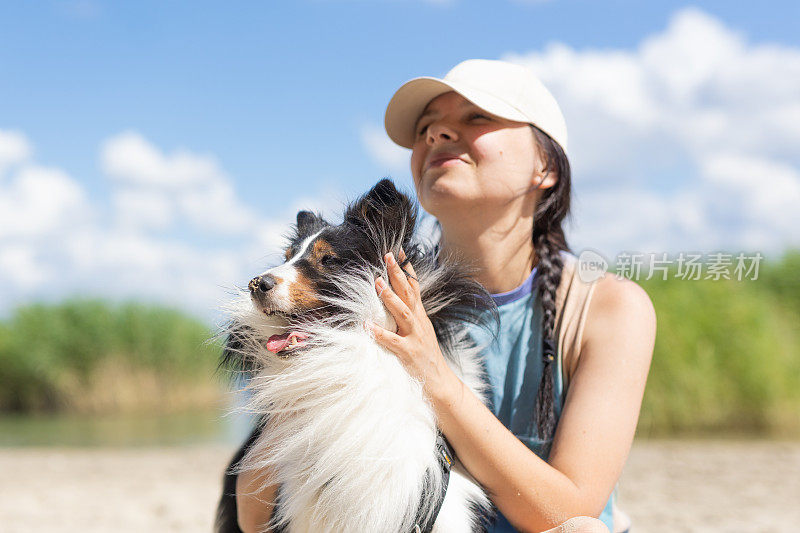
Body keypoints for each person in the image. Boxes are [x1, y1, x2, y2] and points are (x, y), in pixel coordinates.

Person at [236, 59, 655, 533]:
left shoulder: (608, 308)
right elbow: (253, 518)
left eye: (477, 117)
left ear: (546, 166)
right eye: (425, 128)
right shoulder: (354, 310)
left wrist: (432, 374)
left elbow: (569, 512)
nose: (436, 135)